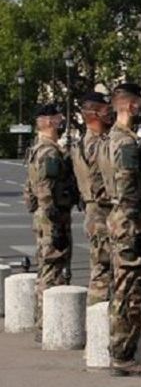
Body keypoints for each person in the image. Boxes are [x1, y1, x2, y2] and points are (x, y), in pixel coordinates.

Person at [99, 83, 141, 376]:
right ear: (131, 106)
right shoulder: (126, 144)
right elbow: (128, 189)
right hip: (129, 221)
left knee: (122, 286)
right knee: (128, 290)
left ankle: (122, 349)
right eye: (140, 104)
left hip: (120, 220)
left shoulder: (111, 139)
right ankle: (123, 353)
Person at [23, 103, 77, 344]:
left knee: (47, 267)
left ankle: (43, 320)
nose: (60, 122)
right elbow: (45, 188)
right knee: (53, 269)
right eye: (56, 119)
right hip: (53, 216)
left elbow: (29, 189)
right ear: (45, 122)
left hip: (45, 216)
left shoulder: (38, 149)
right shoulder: (50, 152)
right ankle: (48, 323)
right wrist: (54, 220)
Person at [71, 92, 115, 306]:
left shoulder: (84, 142)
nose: (111, 115)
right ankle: (97, 318)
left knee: (103, 267)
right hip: (101, 212)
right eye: (107, 111)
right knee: (102, 270)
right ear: (95, 114)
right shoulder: (96, 145)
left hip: (94, 210)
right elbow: (102, 185)